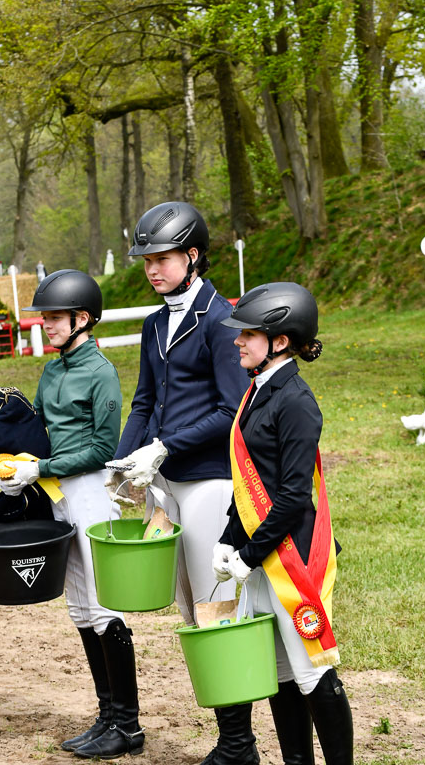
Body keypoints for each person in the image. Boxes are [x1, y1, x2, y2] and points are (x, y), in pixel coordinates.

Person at [105, 201, 253, 764]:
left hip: (209, 480)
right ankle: (231, 740)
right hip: (165, 483)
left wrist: (165, 446)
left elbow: (231, 408)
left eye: (161, 259)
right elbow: (145, 401)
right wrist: (121, 465)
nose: (151, 269)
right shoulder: (154, 324)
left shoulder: (221, 319)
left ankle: (238, 744)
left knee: (215, 609)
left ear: (192, 255)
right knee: (190, 609)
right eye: (146, 260)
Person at [0, 269, 144, 761]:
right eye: (45, 317)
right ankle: (107, 715)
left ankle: (128, 725)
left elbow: (103, 447)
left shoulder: (101, 372)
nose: (46, 324)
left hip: (90, 494)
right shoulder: (52, 370)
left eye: (54, 317)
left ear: (82, 318)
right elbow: (39, 430)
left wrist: (41, 467)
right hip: (57, 493)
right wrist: (16, 466)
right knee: (80, 606)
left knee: (103, 606)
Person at [213, 281, 354, 765]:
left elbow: (293, 497)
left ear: (280, 340)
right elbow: (249, 480)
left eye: (248, 334)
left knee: (313, 671)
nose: (237, 341)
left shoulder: (295, 401)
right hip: (262, 554)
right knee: (280, 672)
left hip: (293, 556)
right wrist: (228, 538)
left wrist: (249, 556)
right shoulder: (257, 390)